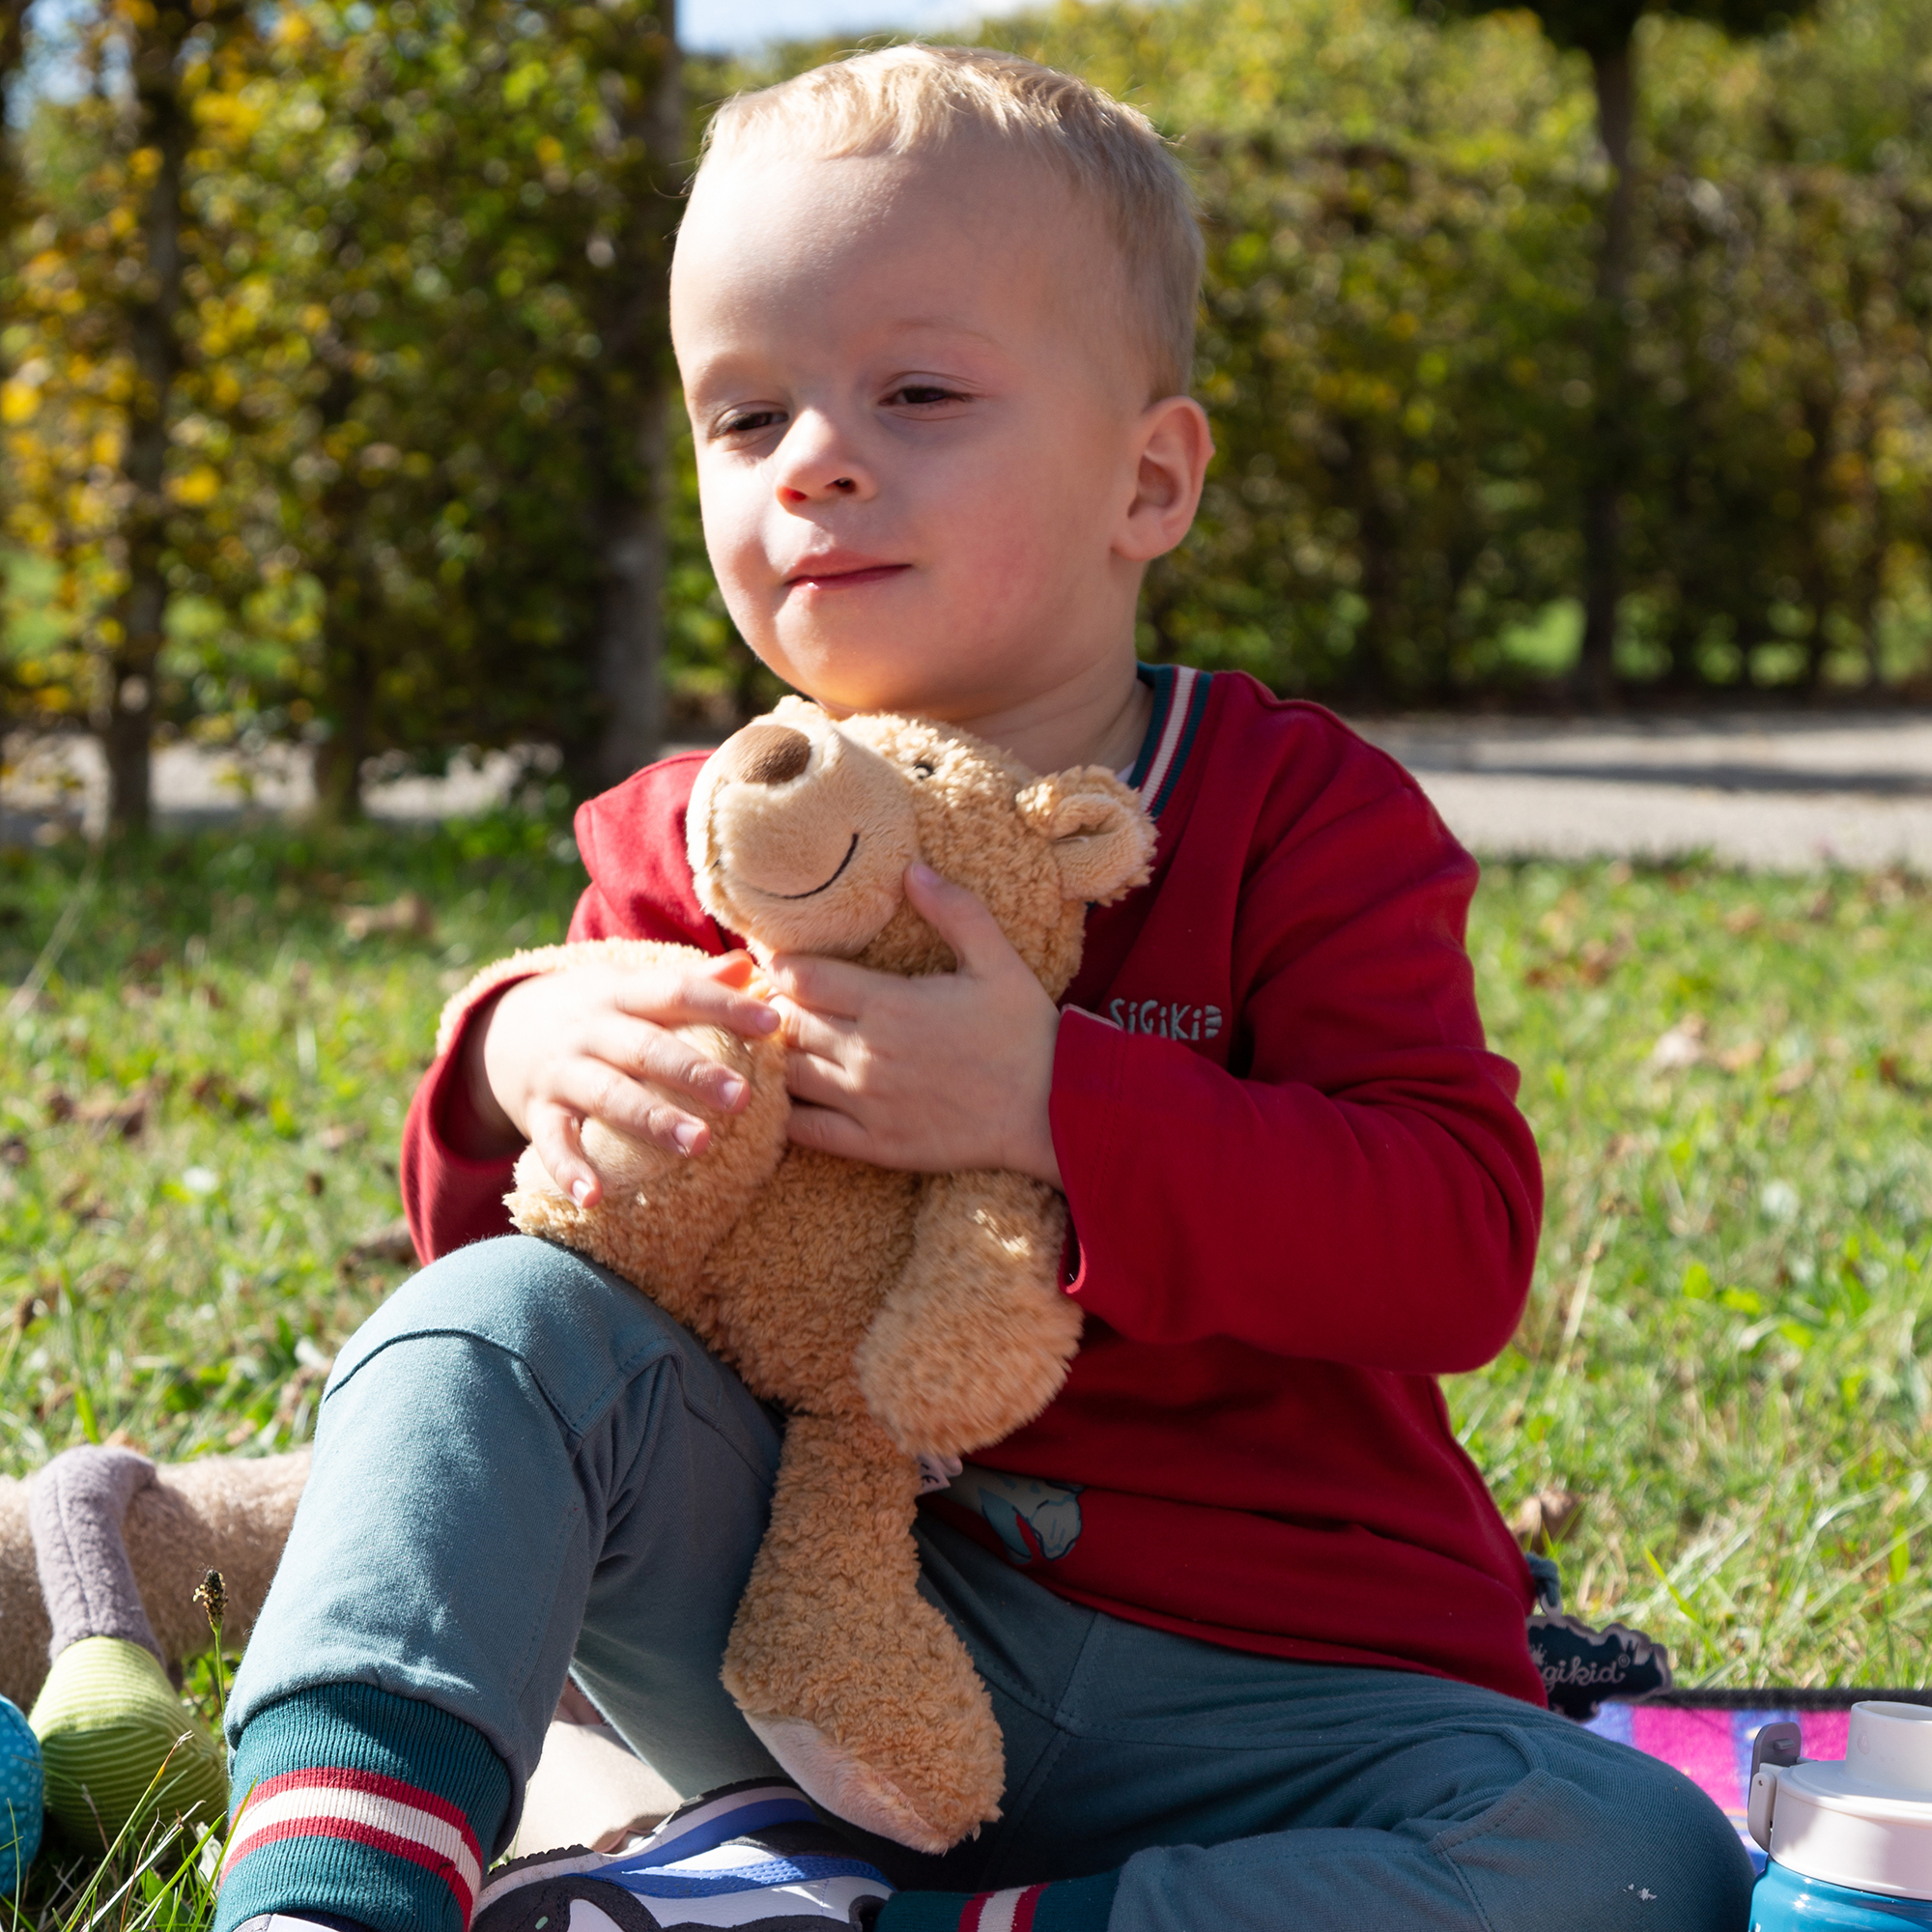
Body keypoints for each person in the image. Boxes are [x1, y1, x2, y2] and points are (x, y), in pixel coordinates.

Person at [213, 43, 1755, 1932]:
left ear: (1148, 479)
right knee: (480, 1334)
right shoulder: (694, 839)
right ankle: (332, 1885)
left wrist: (1052, 1104)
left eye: (917, 390)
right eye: (743, 413)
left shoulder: (1296, 817)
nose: (816, 463)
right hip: (810, 1639)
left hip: (1285, 1690)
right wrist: (513, 1064)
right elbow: (559, 1307)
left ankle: (861, 1919)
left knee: (1628, 1856)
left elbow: (1456, 1243)